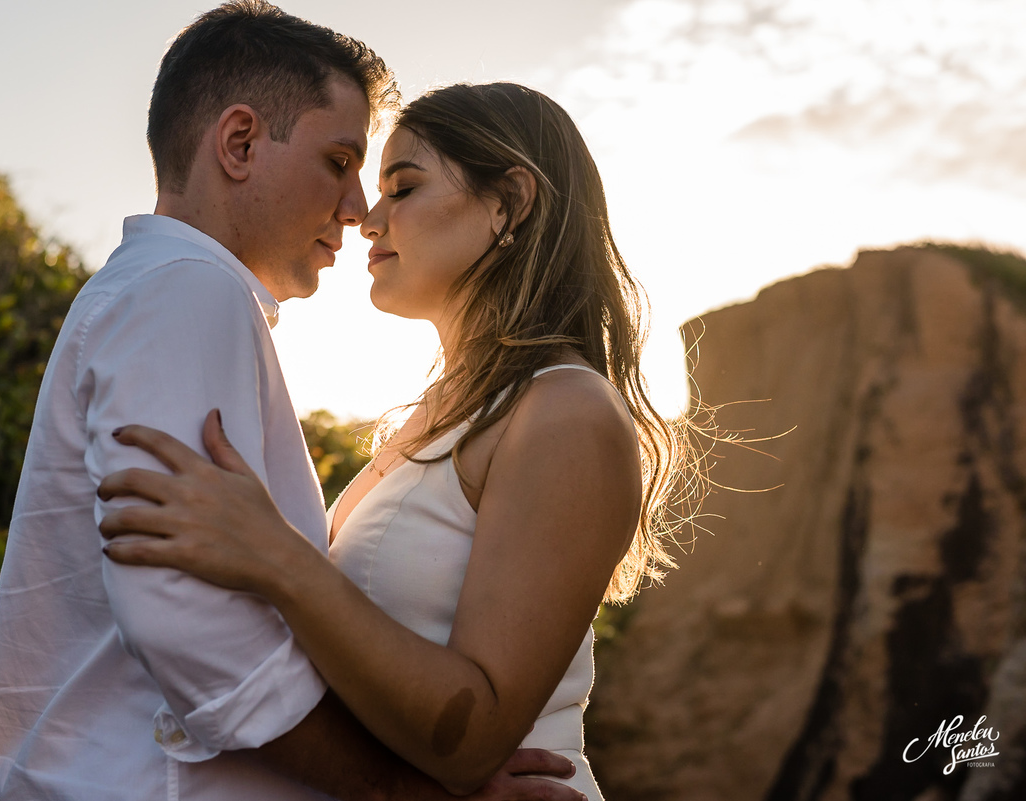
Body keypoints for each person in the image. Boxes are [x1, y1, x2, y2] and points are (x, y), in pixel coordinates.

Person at [0, 3, 582, 800]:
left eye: (384, 182)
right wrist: (399, 790)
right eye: (339, 162)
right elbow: (188, 614)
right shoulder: (188, 290)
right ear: (238, 143)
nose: (356, 211)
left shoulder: (168, 293)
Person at [97, 82, 688, 801]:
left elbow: (474, 738)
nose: (367, 221)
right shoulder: (441, 413)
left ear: (511, 203)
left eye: (401, 188)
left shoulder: (566, 409)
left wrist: (275, 553)